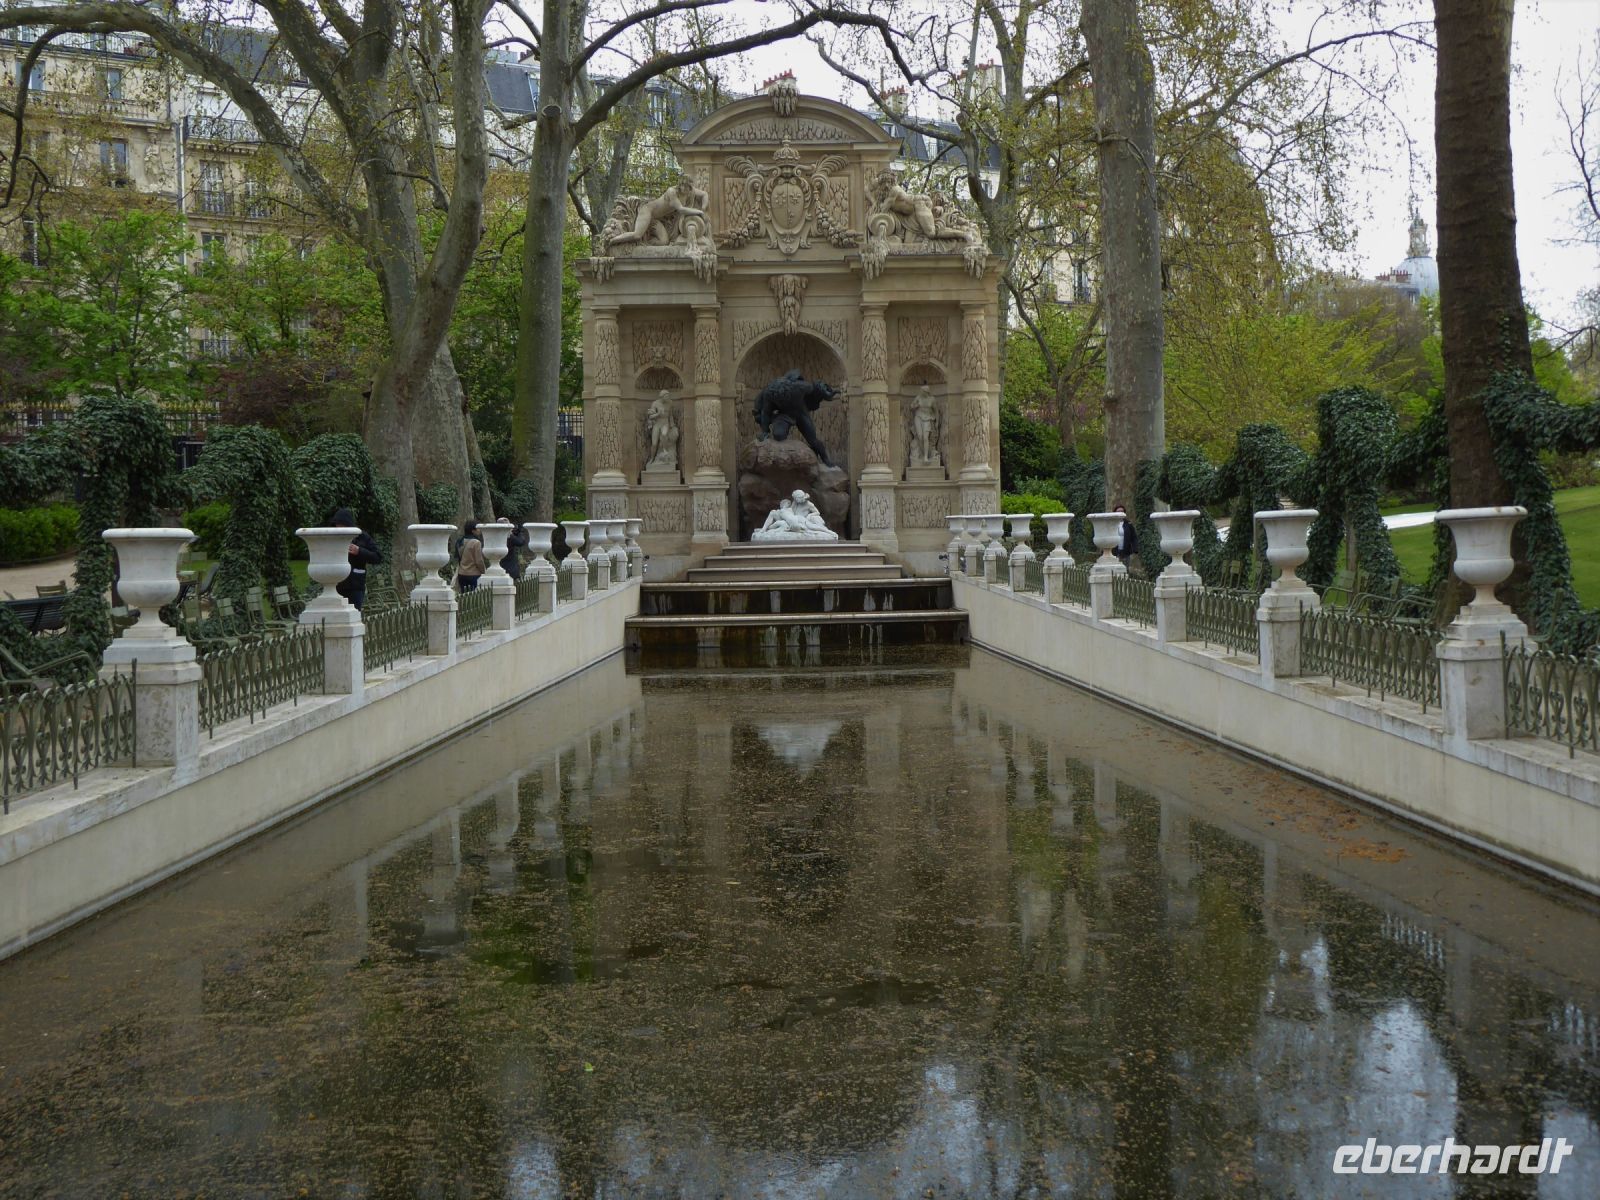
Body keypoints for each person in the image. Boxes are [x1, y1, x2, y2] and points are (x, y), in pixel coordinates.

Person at [331, 507, 381, 611]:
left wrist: (359, 551)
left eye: (341, 525)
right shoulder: (333, 536)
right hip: (337, 584)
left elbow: (377, 557)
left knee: (355, 613)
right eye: (337, 525)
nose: (338, 527)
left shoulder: (362, 536)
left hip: (355, 585)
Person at [456, 521, 486, 592]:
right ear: (473, 531)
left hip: (461, 573)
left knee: (464, 597)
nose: (480, 530)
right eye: (478, 529)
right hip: (473, 574)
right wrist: (484, 571)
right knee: (473, 598)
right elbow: (479, 561)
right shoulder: (476, 542)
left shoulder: (460, 541)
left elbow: (458, 557)